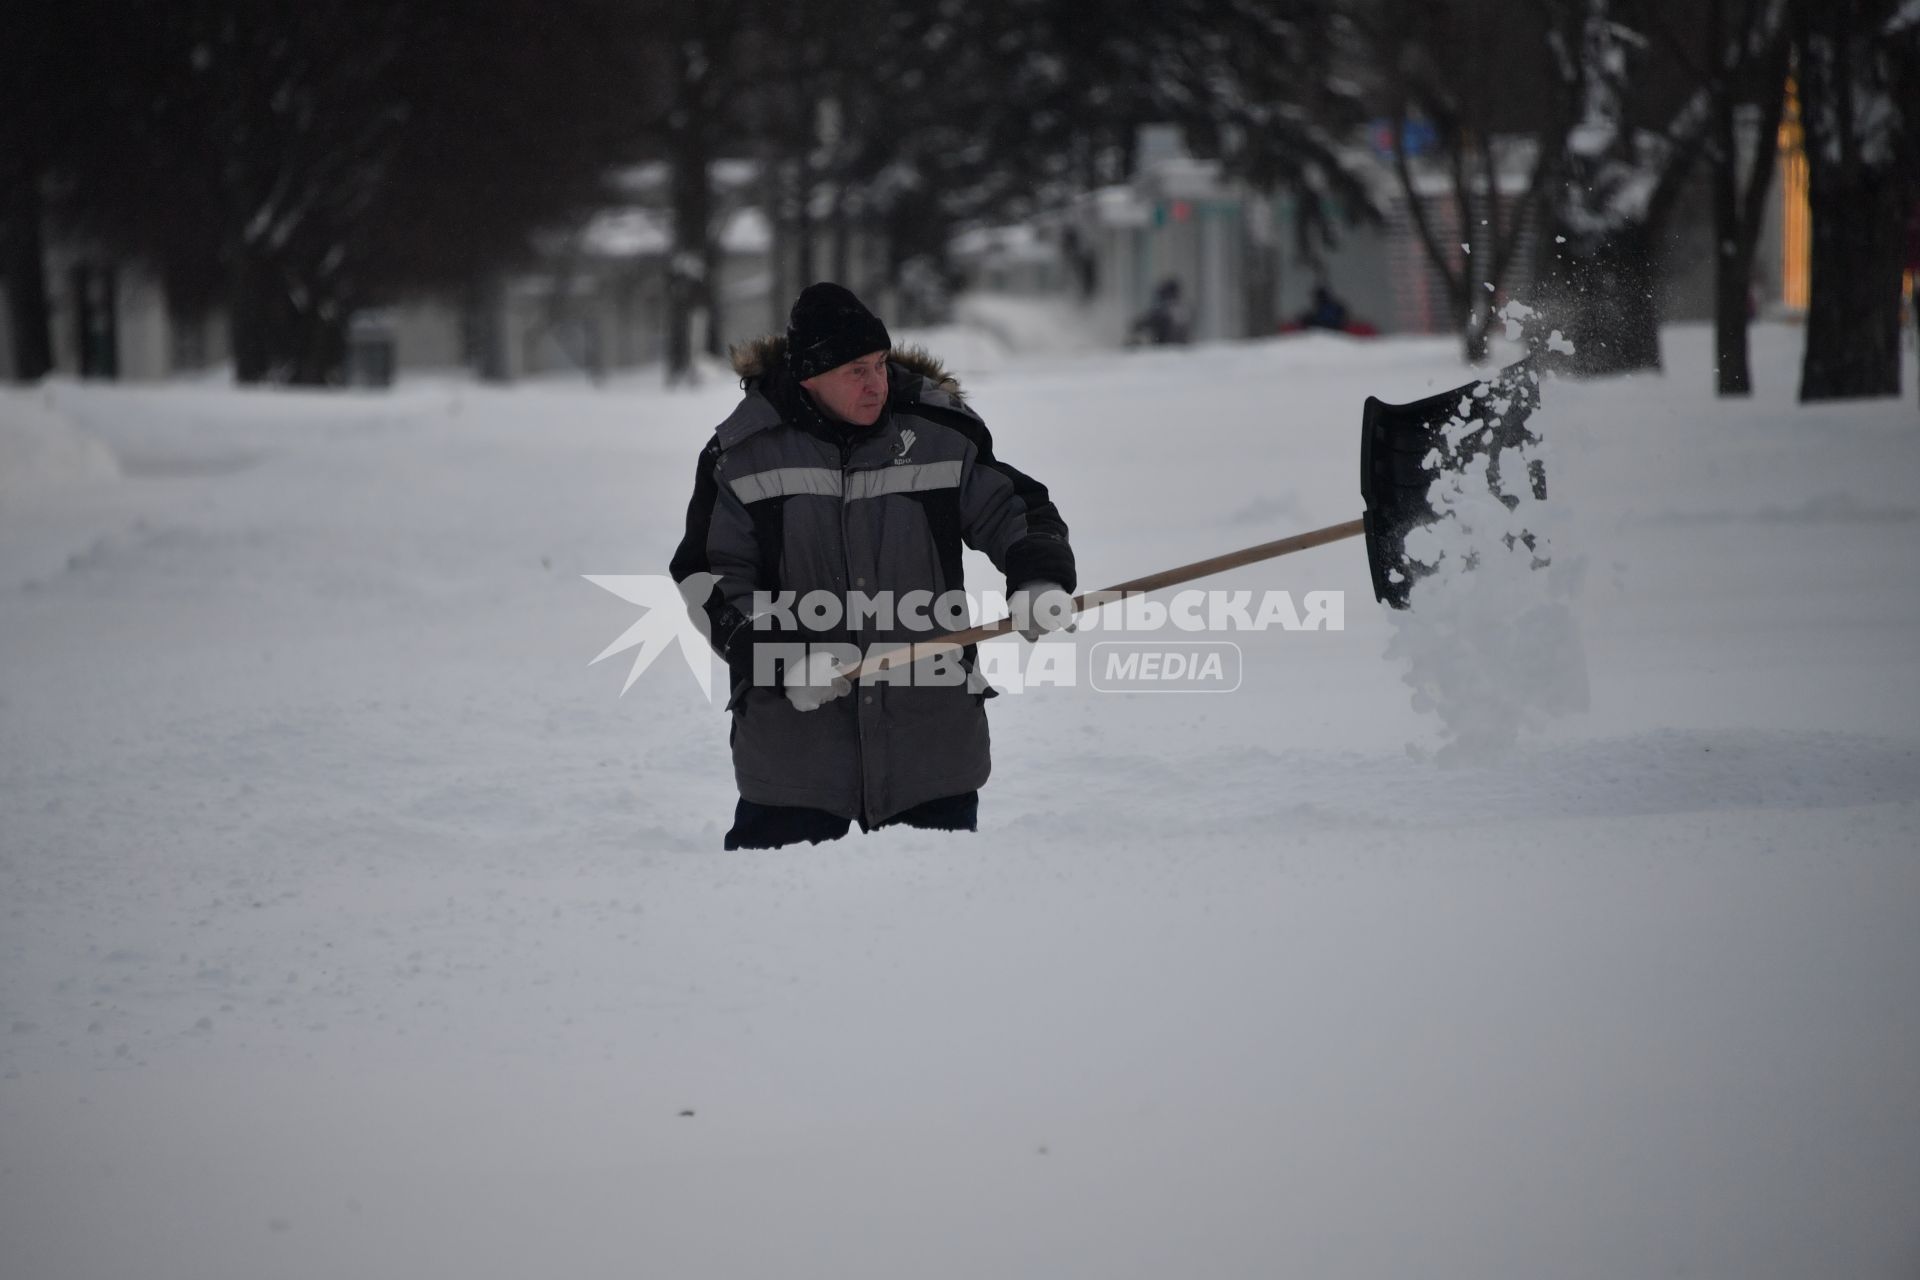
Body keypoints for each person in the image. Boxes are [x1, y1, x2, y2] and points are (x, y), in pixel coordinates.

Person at [670, 283, 1078, 850]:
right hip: (796, 760)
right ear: (809, 375)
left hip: (929, 750)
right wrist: (783, 659)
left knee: (939, 925)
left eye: (881, 365)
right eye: (855, 371)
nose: (877, 384)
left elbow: (1018, 511)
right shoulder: (743, 456)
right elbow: (709, 580)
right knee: (775, 926)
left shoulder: (938, 438)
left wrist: (1038, 579)